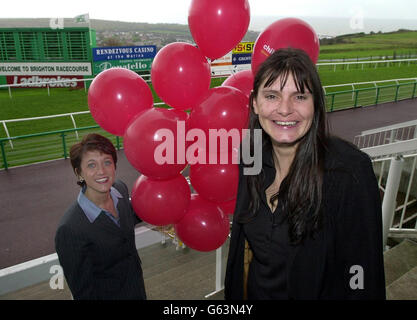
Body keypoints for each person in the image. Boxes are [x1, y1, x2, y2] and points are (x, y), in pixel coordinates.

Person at [225, 48, 386, 300]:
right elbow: (241, 251)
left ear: (316, 105)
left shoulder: (350, 173)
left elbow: (362, 275)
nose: (285, 109)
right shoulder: (250, 156)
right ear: (255, 103)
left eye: (299, 96)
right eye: (271, 96)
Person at [55, 133, 146, 300]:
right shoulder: (70, 229)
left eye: (107, 162)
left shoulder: (120, 189)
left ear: (114, 166)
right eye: (91, 165)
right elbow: (83, 292)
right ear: (79, 173)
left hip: (137, 290)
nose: (102, 171)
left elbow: (126, 222)